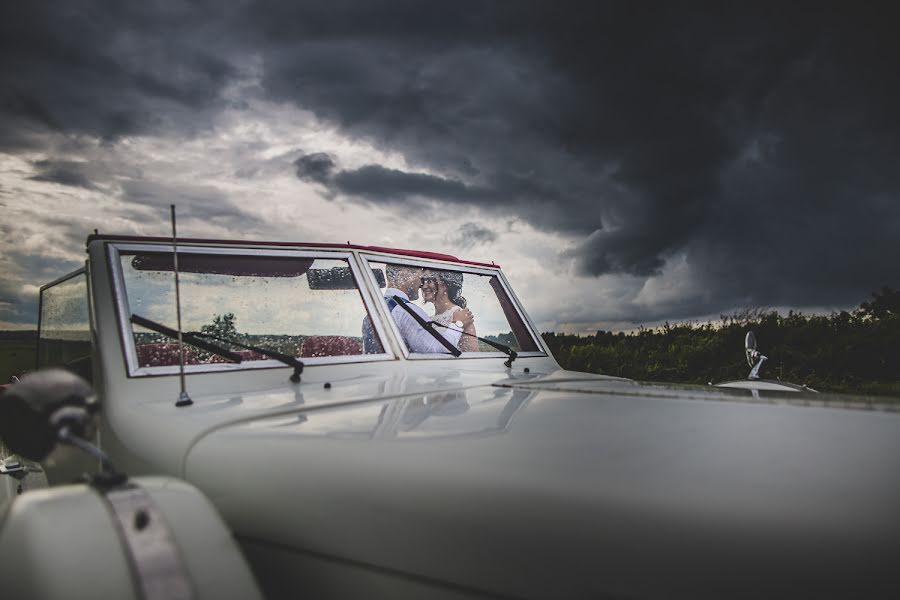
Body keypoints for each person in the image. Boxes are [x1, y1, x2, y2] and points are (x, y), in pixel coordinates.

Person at [363, 264, 467, 354]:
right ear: (405, 273)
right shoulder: (407, 312)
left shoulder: (374, 310)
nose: (421, 285)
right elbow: (440, 350)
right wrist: (458, 324)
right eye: (421, 278)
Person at [421, 270, 478, 352]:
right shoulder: (430, 319)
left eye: (429, 281)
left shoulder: (462, 317)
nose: (424, 286)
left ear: (446, 285)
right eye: (423, 281)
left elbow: (472, 357)